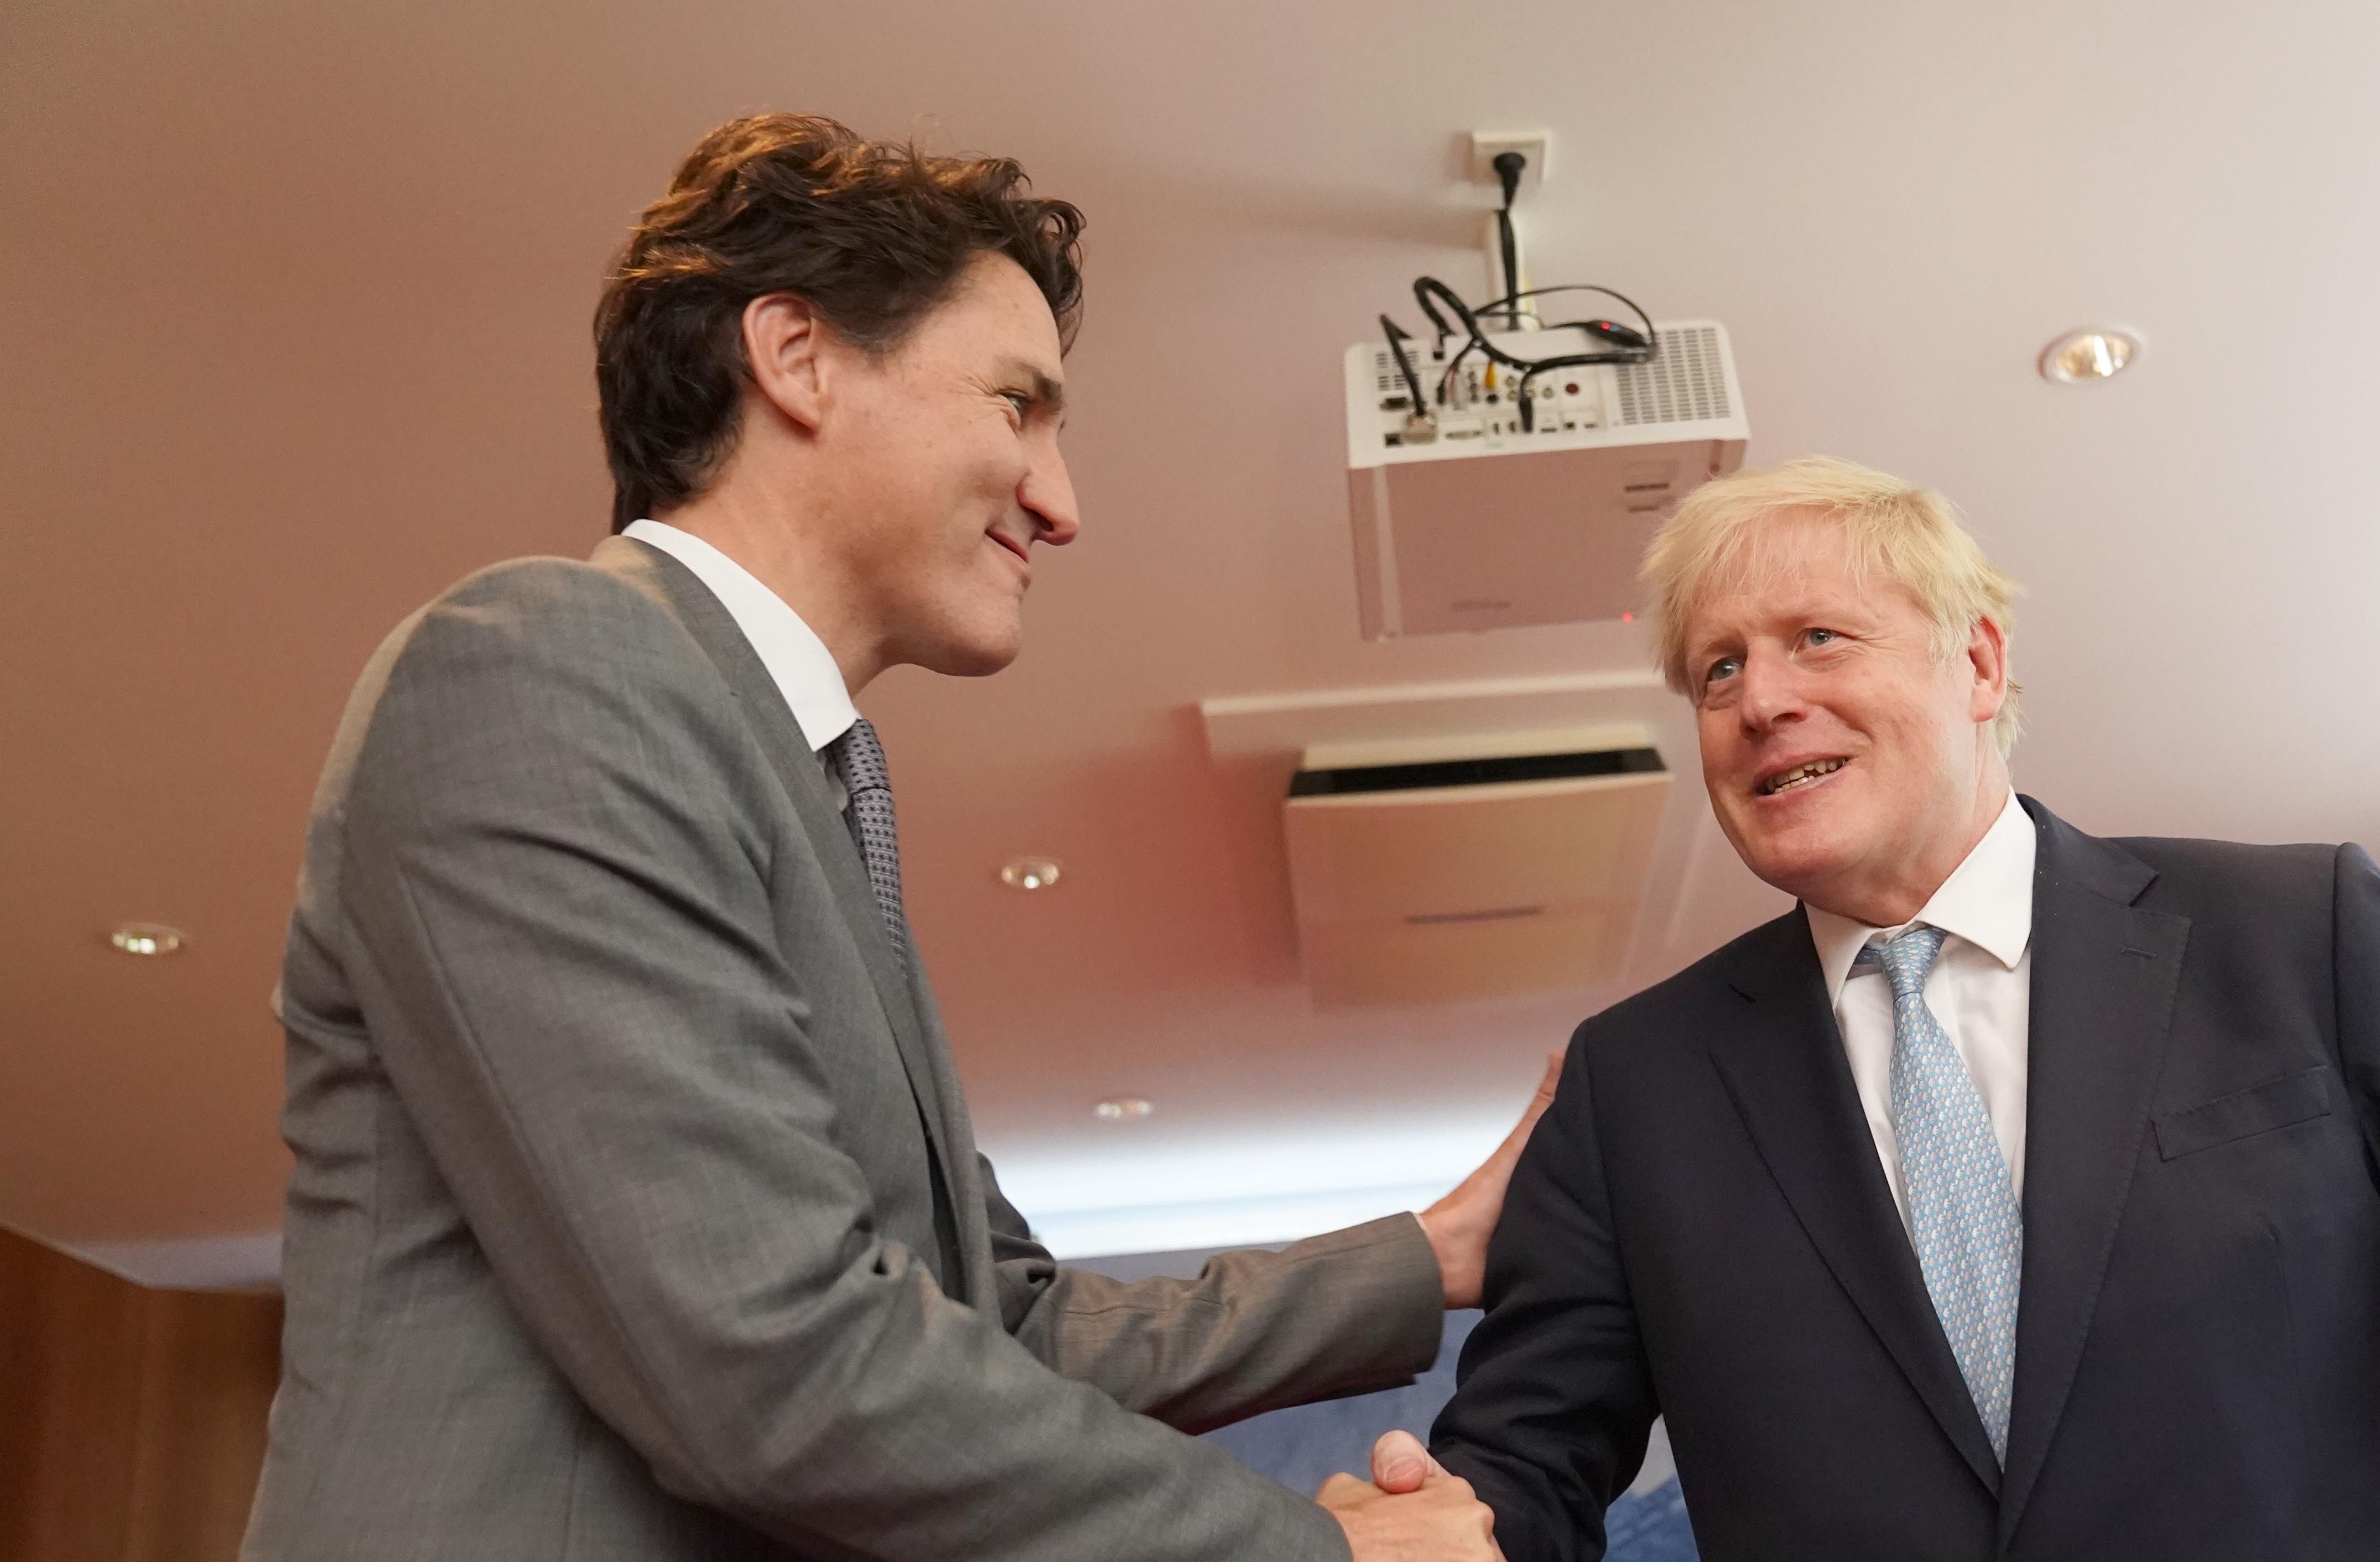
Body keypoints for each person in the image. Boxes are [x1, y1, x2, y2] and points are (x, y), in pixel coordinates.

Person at [244, 113, 1527, 1562]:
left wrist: (1437, 1253)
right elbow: (776, 1363)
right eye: (1017, 405)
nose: (1063, 501)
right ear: (796, 358)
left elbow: (997, 1325)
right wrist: (1327, 1557)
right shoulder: (544, 665)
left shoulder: (810, 789)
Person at [1423, 456, 2380, 1559]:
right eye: (1717, 672)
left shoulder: (2298, 938)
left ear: (1979, 661)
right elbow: (1522, 1474)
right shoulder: (1637, 1085)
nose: (1761, 698)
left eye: (1817, 636)